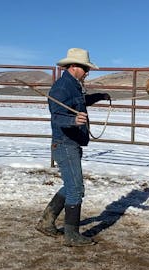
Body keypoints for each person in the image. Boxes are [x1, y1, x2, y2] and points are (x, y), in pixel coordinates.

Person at [36, 48, 110, 246]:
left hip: (71, 142)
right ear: (74, 67)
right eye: (86, 68)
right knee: (76, 188)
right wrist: (73, 119)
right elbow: (57, 116)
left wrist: (98, 96)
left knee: (71, 185)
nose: (88, 72)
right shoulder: (61, 88)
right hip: (65, 143)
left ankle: (46, 221)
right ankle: (72, 235)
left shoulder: (73, 86)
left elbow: (79, 102)